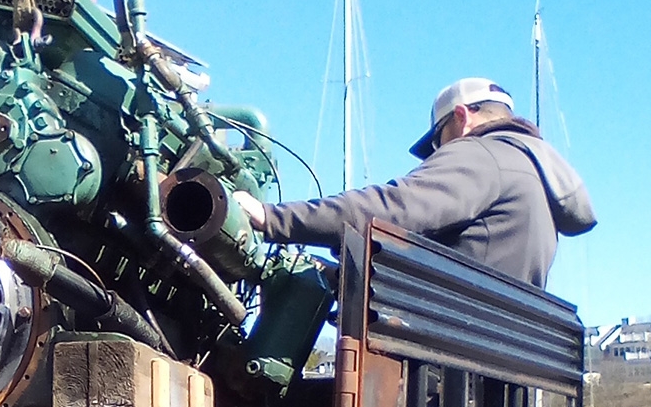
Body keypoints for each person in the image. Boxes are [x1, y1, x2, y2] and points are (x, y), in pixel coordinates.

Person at [235, 77, 595, 288]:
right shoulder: (533, 173)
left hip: (444, 371)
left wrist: (271, 218)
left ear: (462, 117)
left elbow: (394, 207)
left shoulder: (484, 155)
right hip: (489, 367)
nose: (438, 153)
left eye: (439, 141)